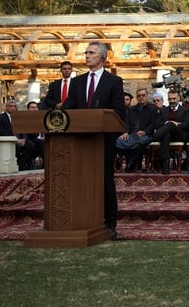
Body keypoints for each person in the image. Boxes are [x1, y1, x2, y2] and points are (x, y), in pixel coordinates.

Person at [62, 41, 126, 240]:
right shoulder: (77, 81)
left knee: (105, 180)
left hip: (103, 141)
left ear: (102, 58)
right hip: (80, 141)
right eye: (86, 52)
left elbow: (118, 111)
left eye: (91, 53)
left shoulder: (114, 81)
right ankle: (84, 218)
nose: (87, 56)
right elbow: (69, 107)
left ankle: (110, 222)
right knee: (81, 180)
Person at [116, 88, 159, 173]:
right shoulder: (132, 109)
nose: (141, 97)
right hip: (132, 134)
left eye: (143, 95)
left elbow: (154, 124)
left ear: (147, 96)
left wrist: (144, 131)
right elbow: (127, 122)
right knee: (118, 141)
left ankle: (131, 163)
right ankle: (132, 161)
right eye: (139, 96)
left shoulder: (152, 109)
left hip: (147, 134)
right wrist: (126, 132)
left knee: (140, 143)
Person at [150, 90, 189, 174]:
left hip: (180, 134)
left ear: (179, 98)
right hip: (166, 134)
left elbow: (187, 125)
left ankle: (152, 138)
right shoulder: (163, 110)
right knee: (166, 134)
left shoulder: (185, 110)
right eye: (170, 99)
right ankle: (165, 167)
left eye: (174, 98)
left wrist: (176, 124)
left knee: (170, 124)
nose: (172, 101)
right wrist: (167, 123)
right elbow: (157, 124)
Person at [0, 99, 38, 171]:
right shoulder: (0, 118)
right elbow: (1, 132)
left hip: (20, 139)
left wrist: (24, 139)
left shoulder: (19, 117)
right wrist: (15, 140)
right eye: (10, 106)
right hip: (9, 140)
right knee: (16, 147)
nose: (13, 108)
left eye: (14, 106)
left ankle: (20, 165)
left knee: (30, 145)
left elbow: (24, 130)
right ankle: (18, 165)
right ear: (6, 107)